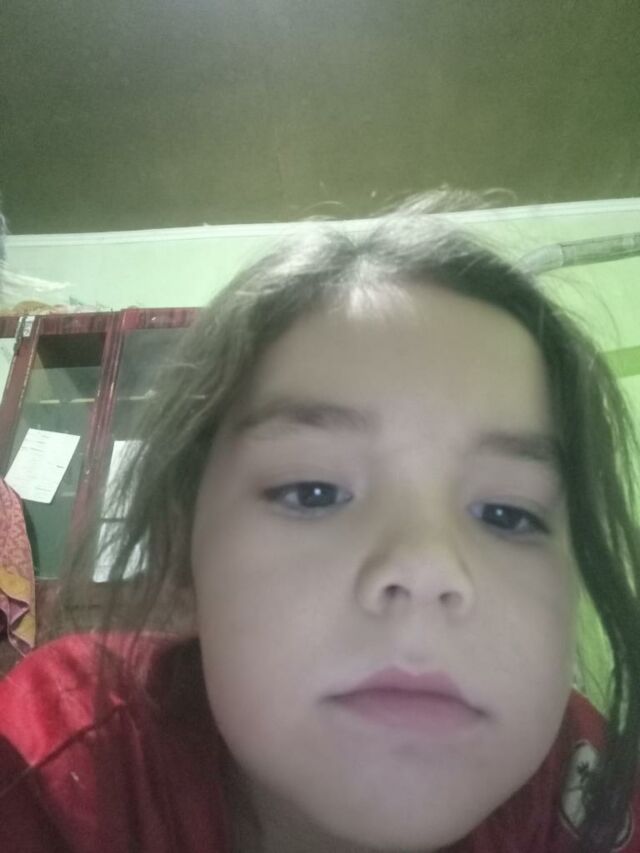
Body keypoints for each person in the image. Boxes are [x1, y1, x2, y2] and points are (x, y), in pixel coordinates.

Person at [1, 192, 639, 853]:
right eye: (313, 492)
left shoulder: (585, 791)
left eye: (508, 513)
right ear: (182, 552)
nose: (426, 567)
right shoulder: (59, 771)